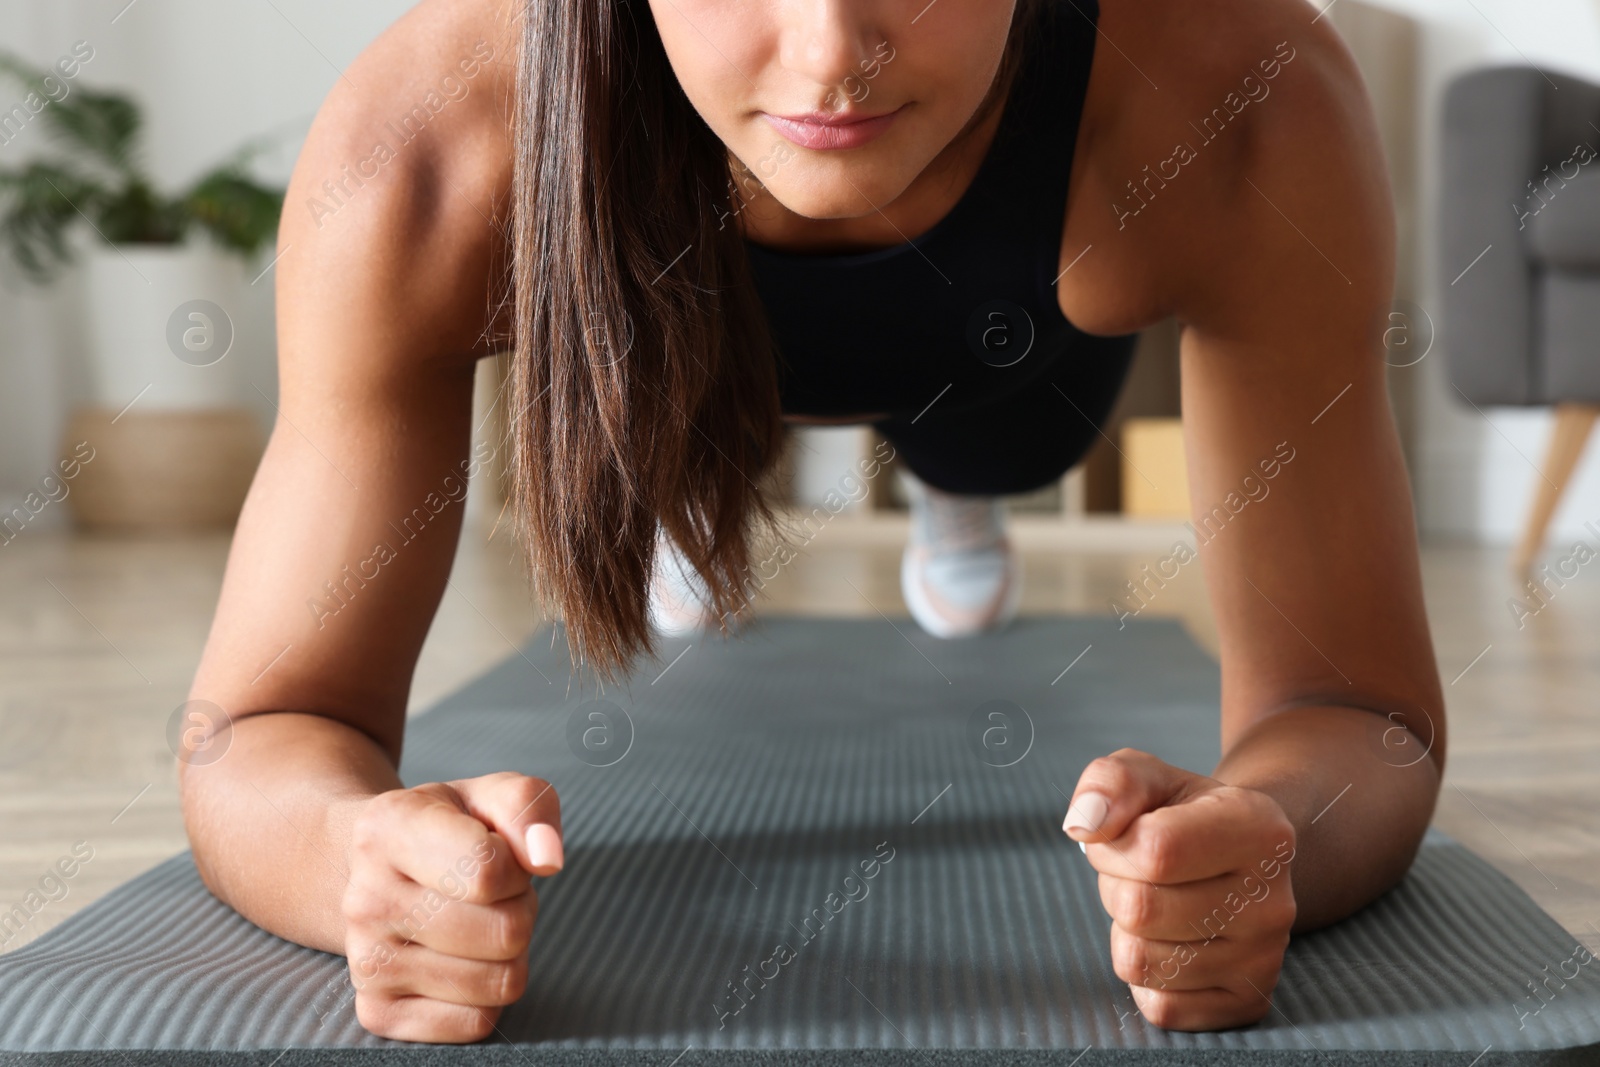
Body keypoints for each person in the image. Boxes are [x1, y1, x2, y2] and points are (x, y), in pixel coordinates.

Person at [181, 0, 1447, 1044]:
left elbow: (1359, 715)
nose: (832, 53)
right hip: (677, 330)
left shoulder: (1240, 92)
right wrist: (352, 853)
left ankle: (949, 493)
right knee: (681, 421)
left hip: (1011, 369)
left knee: (988, 443)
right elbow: (256, 724)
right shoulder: (418, 145)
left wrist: (1269, 831)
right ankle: (700, 485)